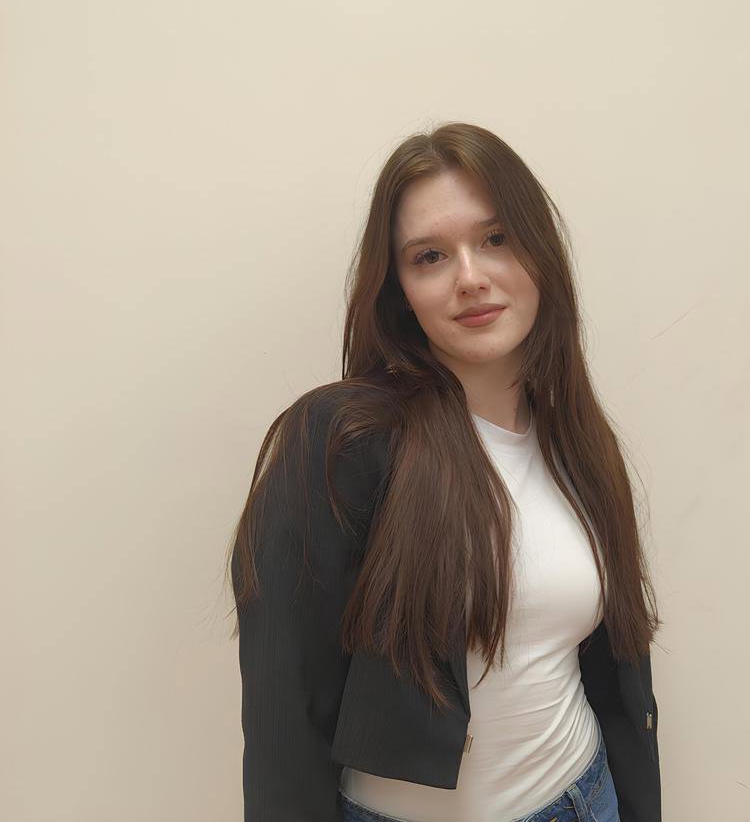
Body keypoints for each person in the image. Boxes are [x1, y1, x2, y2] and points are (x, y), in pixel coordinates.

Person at [228, 122, 663, 822]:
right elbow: (285, 714)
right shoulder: (340, 441)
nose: (470, 277)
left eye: (496, 238)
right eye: (429, 256)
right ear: (399, 289)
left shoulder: (575, 441)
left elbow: (614, 675)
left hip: (583, 797)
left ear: (540, 253)